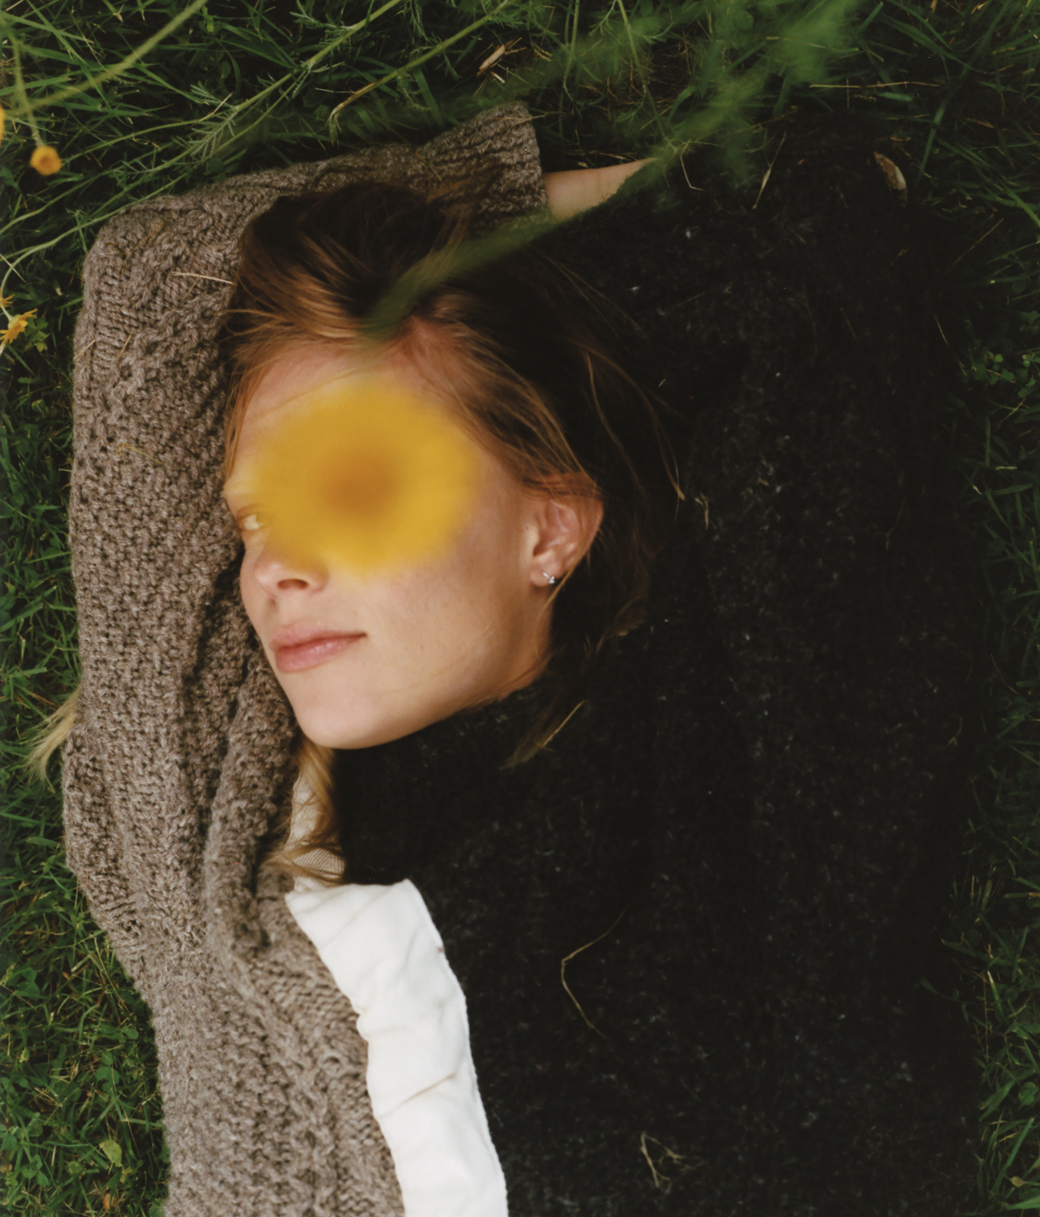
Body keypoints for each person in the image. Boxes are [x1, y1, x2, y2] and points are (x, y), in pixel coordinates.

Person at [37, 102, 980, 1215]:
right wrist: (638, 185)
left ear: (549, 530)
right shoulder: (208, 813)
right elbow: (153, 278)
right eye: (251, 522)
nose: (273, 570)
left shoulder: (731, 780)